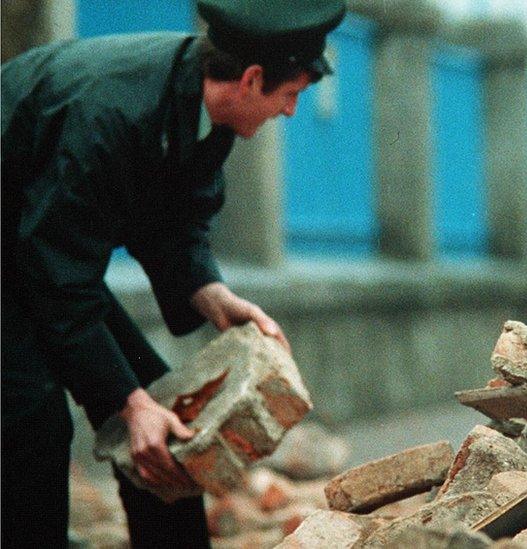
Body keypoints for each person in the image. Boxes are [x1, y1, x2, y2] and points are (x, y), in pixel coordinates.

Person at [0, 1, 346, 547]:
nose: (291, 112)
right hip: (25, 256)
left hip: (34, 252)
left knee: (170, 423)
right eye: (291, 94)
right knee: (32, 419)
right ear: (253, 80)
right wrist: (128, 402)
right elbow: (56, 280)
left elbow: (177, 220)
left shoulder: (203, 101)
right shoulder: (109, 111)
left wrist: (211, 295)